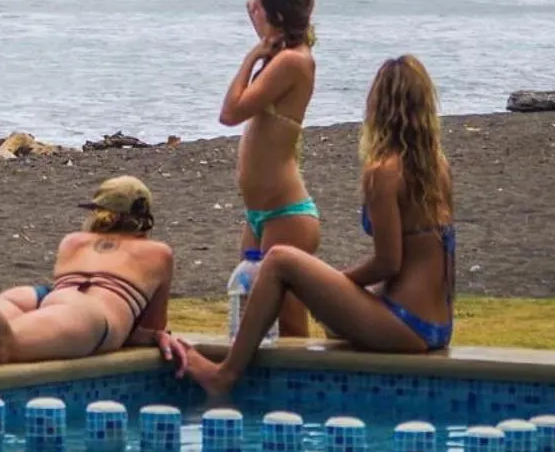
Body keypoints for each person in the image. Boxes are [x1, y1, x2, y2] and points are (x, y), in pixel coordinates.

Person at [176, 55, 457, 397]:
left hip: (406, 323)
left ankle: (225, 374)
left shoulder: (384, 171)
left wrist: (338, 283)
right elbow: (433, 258)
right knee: (332, 324)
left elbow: (389, 262)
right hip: (438, 323)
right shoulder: (437, 167)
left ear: (379, 107)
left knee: (279, 260)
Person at [0, 175, 179, 365]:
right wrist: (156, 335)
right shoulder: (158, 253)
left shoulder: (73, 241)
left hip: (39, 297)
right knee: (5, 348)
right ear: (145, 219)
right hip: (91, 309)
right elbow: (150, 327)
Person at [220, 0, 321, 336]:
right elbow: (256, 8)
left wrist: (251, 56)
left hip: (286, 212)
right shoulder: (281, 54)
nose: (252, 10)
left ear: (275, 14)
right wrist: (263, 29)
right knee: (251, 314)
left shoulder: (291, 62)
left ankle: (304, 391)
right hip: (259, 213)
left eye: (259, 6)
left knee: (290, 322)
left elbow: (230, 113)